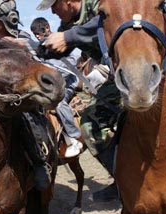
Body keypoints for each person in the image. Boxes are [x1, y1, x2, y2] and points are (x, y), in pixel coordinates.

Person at [37, 0, 121, 202]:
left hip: (137, 63)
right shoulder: (66, 26)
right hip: (116, 77)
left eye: (54, 6)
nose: (53, 11)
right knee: (90, 124)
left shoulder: (98, 4)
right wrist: (27, 47)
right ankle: (121, 181)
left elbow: (107, 18)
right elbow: (53, 52)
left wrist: (68, 37)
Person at [0, 0, 53, 190]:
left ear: (6, 20)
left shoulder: (23, 39)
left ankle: (39, 162)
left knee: (25, 118)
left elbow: (38, 64)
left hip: (22, 97)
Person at [30, 17, 83, 158]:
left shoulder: (62, 40)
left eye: (39, 33)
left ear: (47, 28)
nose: (37, 36)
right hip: (49, 87)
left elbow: (73, 59)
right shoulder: (40, 50)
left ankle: (73, 137)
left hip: (67, 83)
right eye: (35, 34)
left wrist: (54, 76)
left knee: (58, 103)